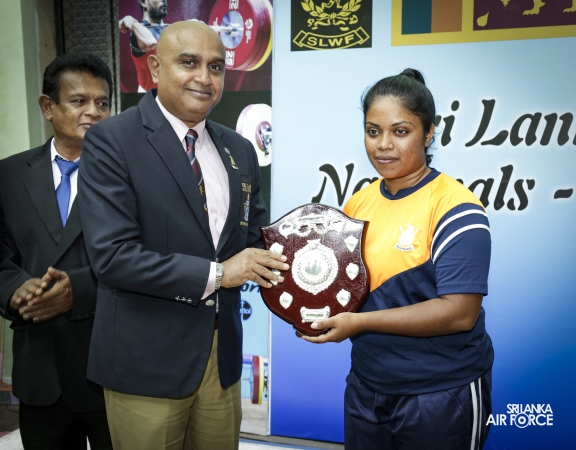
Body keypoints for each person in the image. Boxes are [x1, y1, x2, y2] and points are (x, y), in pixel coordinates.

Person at [78, 20, 287, 450]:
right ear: (155, 67)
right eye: (188, 63)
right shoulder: (111, 141)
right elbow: (113, 257)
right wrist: (219, 274)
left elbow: (256, 241)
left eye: (216, 67)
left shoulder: (239, 149)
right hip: (146, 363)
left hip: (221, 357)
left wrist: (317, 269)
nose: (204, 78)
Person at [303, 69, 494, 450]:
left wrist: (358, 322)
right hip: (367, 385)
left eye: (400, 131)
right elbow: (344, 288)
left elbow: (460, 313)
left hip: (440, 390)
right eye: (373, 131)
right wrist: (308, 307)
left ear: (429, 133)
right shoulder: (357, 205)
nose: (384, 145)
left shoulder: (456, 207)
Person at [0, 53, 114, 449]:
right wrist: (14, 289)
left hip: (107, 368)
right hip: (40, 367)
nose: (93, 112)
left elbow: (141, 258)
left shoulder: (128, 177)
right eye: (79, 101)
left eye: (102, 103)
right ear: (48, 107)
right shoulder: (9, 175)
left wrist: (77, 291)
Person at [119, 0, 169, 91]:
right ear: (143, 2)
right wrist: (129, 21)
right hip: (149, 94)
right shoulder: (138, 31)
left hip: (172, 93)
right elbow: (150, 43)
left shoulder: (171, 28)